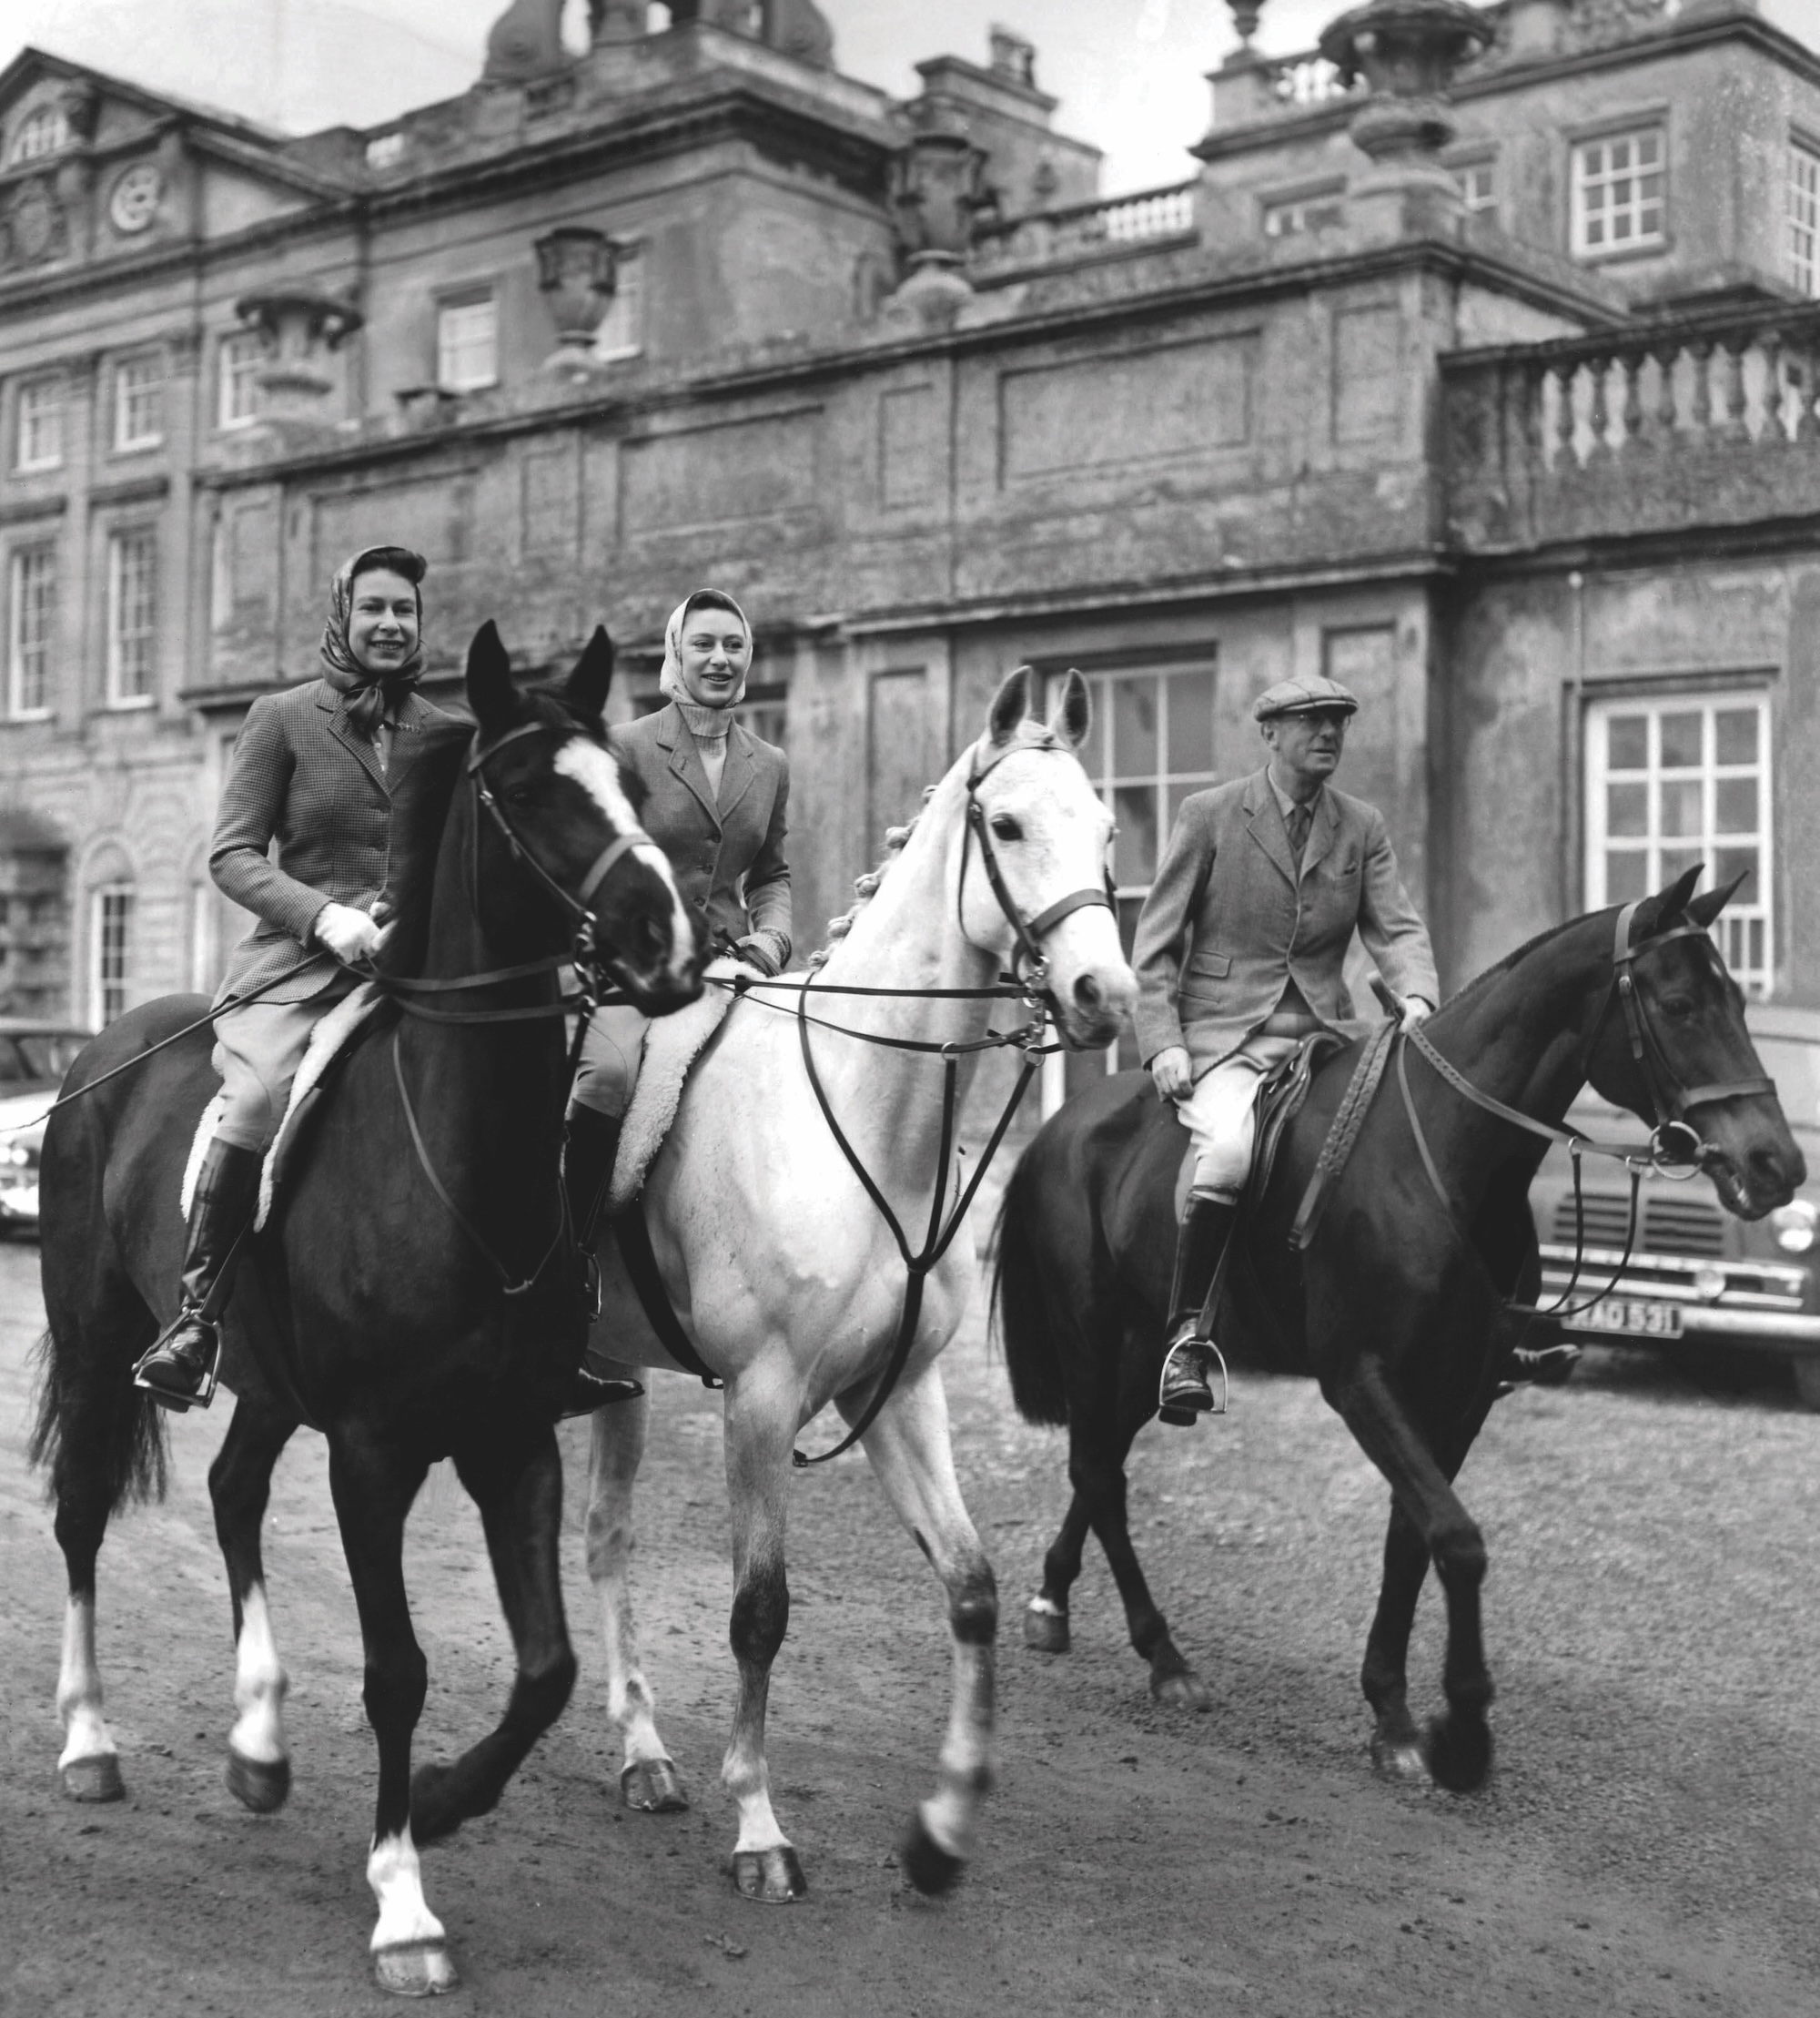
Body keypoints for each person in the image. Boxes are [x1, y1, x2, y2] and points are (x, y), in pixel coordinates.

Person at [133, 545, 457, 1410]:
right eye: (376, 608)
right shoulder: (282, 718)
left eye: (406, 612)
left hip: (416, 973)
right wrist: (327, 916)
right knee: (257, 1099)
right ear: (342, 617)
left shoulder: (445, 730)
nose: (392, 624)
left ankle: (533, 1318)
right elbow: (233, 854)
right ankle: (197, 1318)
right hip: (300, 970)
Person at [1131, 673, 1439, 1423]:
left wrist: (1420, 994)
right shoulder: (1208, 815)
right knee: (1230, 1153)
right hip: (1225, 1037)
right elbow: (1156, 946)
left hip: (1327, 1037)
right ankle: (1188, 1338)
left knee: (1405, 1144)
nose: (1328, 732)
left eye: (1338, 720)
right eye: (1309, 721)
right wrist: (1163, 1041)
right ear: (1269, 734)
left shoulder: (1360, 825)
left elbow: (1395, 929)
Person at [562, 587, 791, 1407]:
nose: (722, 659)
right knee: (607, 1080)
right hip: (638, 972)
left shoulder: (770, 763)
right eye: (706, 645)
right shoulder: (624, 747)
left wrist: (771, 939)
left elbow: (772, 875)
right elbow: (590, 859)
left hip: (740, 970)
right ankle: (567, 1272)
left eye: (735, 645)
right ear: (675, 652)